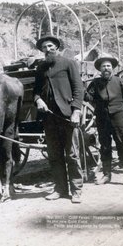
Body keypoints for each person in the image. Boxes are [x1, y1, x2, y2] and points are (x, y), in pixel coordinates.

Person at [33, 34, 84, 203]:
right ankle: (60, 189)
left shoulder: (68, 63)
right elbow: (36, 91)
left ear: (57, 47)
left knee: (72, 154)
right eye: (44, 48)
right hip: (49, 117)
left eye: (50, 46)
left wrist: (76, 110)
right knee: (54, 155)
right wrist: (38, 100)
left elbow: (78, 88)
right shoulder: (41, 68)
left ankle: (76, 190)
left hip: (67, 115)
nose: (47, 50)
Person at [85, 55, 123, 188]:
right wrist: (81, 88)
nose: (106, 68)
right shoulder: (95, 83)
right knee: (105, 146)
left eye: (108, 66)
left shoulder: (120, 82)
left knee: (122, 145)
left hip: (118, 117)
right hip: (102, 119)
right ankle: (107, 175)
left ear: (112, 68)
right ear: (100, 69)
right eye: (103, 66)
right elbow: (88, 96)